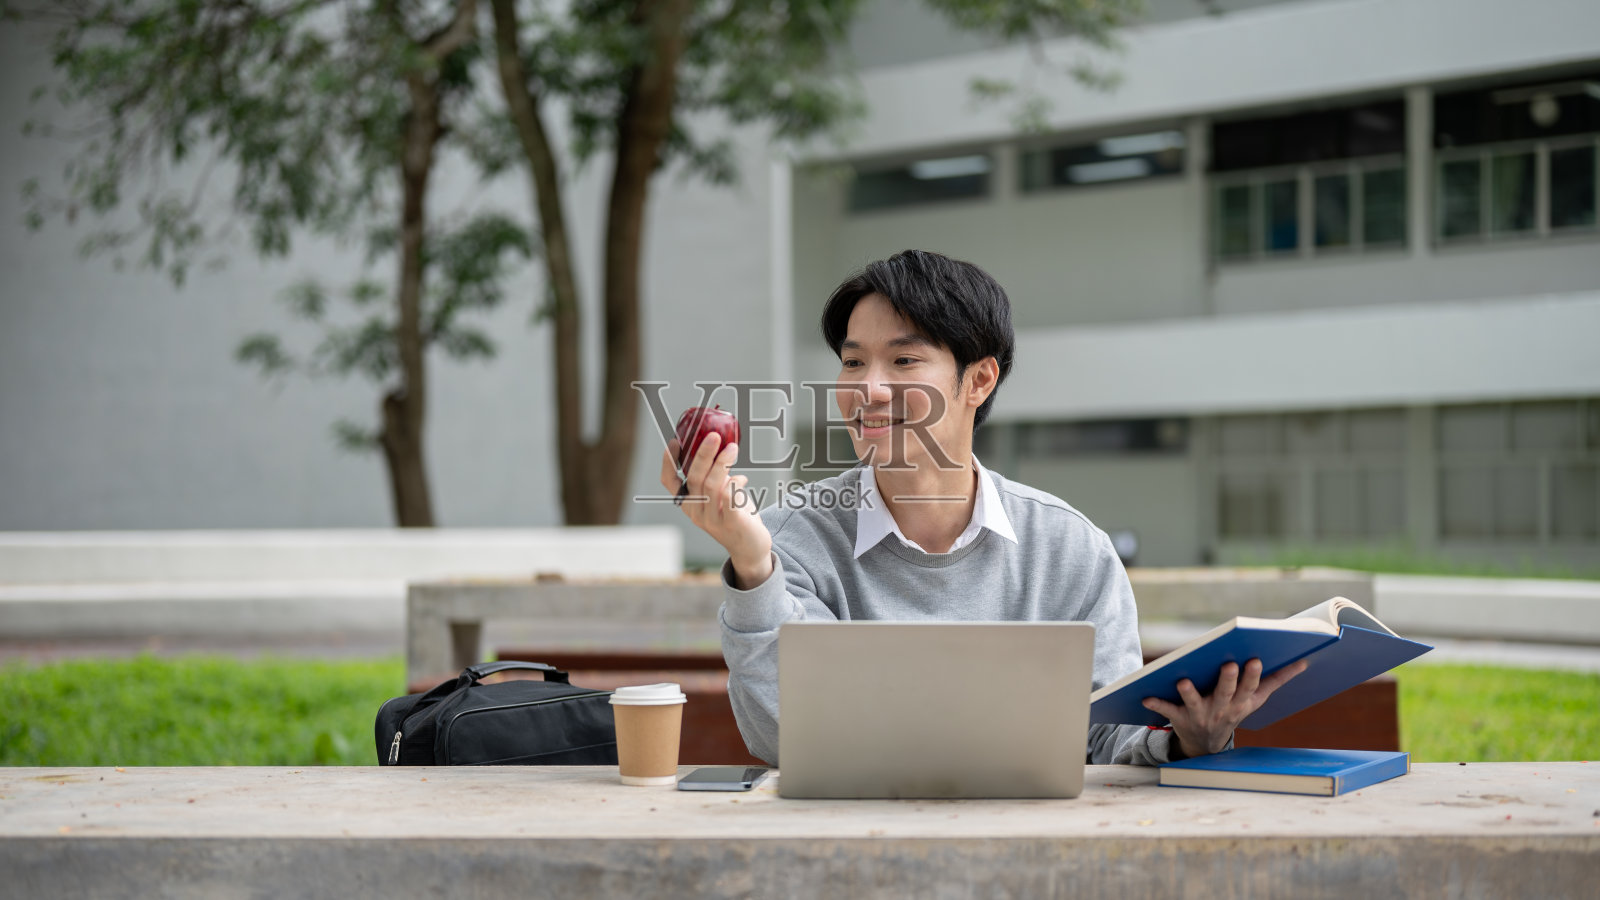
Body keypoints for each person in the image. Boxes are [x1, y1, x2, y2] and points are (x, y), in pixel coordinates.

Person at [659, 249, 1303, 766]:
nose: (868, 390)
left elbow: (1106, 738)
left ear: (978, 380)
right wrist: (750, 562)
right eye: (853, 363)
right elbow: (787, 740)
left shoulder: (1069, 548)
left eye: (904, 360)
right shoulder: (786, 542)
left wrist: (1195, 738)